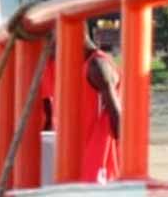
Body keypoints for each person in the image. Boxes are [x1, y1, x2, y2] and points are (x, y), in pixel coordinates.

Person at [41, 29, 121, 184]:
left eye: (52, 44)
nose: (50, 51)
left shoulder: (97, 66)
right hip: (80, 158)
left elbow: (118, 118)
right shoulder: (72, 66)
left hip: (100, 162)